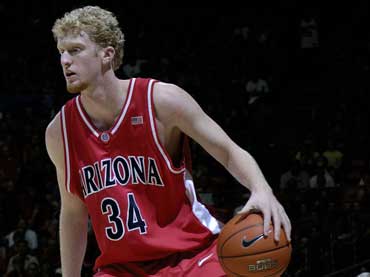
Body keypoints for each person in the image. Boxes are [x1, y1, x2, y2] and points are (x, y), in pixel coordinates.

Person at [45, 6, 291, 277]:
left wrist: (261, 189)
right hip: (120, 269)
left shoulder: (161, 101)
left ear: (107, 54)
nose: (65, 60)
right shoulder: (60, 132)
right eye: (61, 52)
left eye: (75, 50)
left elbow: (228, 151)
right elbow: (73, 213)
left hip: (191, 253)